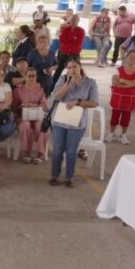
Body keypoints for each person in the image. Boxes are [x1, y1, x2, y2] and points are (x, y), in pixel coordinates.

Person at [50, 58, 99, 188]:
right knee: (58, 150)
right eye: (69, 67)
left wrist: (78, 102)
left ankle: (69, 177)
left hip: (77, 122)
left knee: (71, 151)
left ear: (80, 67)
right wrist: (67, 83)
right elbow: (56, 96)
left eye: (75, 67)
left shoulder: (90, 83)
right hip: (60, 120)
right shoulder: (63, 79)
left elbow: (94, 102)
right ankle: (54, 175)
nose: (72, 70)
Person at [106, 49, 135, 145]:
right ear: (126, 56)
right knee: (114, 116)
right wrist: (130, 84)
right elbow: (115, 83)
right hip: (118, 98)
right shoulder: (118, 69)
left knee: (126, 117)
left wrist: (122, 80)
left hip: (130, 99)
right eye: (131, 56)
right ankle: (111, 133)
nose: (132, 58)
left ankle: (123, 135)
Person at [14, 69, 48, 164]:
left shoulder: (40, 90)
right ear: (25, 77)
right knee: (25, 125)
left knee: (40, 126)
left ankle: (40, 153)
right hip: (23, 116)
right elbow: (14, 106)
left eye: (34, 76)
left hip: (37, 115)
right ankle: (26, 152)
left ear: (36, 77)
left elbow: (44, 105)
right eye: (29, 76)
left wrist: (34, 106)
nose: (32, 78)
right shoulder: (18, 90)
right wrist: (21, 106)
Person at [52, 15, 85, 87]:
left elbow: (79, 42)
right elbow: (61, 40)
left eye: (75, 20)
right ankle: (53, 85)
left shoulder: (81, 31)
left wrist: (68, 40)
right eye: (72, 20)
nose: (73, 22)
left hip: (74, 54)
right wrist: (73, 38)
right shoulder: (65, 29)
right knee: (59, 69)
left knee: (76, 70)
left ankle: (78, 85)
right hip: (64, 53)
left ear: (78, 21)